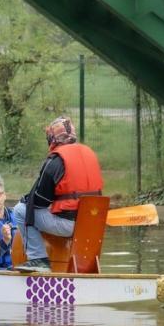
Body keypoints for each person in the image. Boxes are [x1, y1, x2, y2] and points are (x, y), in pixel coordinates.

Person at [13, 116, 103, 272]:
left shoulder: (56, 160)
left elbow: (40, 201)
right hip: (91, 224)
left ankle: (38, 260)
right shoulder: (90, 153)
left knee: (20, 210)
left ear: (52, 138)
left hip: (69, 225)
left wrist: (29, 200)